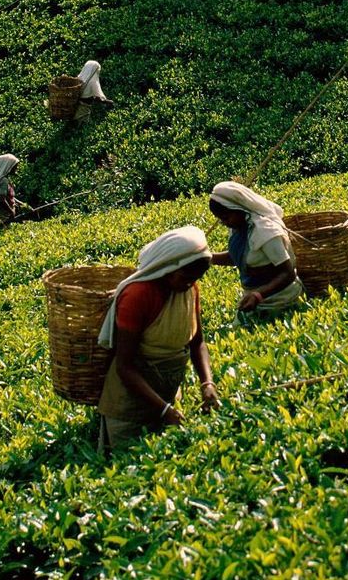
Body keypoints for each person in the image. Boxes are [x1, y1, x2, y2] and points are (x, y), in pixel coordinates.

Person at [98, 225, 219, 452]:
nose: (189, 283)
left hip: (167, 393)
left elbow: (197, 342)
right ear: (168, 268)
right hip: (130, 405)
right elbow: (125, 366)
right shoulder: (139, 295)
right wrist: (164, 411)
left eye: (196, 278)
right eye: (186, 277)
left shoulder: (190, 289)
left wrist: (207, 383)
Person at [209, 180, 303, 322]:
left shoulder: (266, 232)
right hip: (253, 297)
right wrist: (207, 257)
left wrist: (258, 295)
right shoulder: (238, 227)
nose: (224, 223)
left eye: (226, 217)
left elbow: (287, 273)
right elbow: (238, 257)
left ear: (238, 208)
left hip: (280, 298)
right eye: (221, 219)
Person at [0, 153, 20, 222]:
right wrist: (11, 212)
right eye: (15, 166)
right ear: (8, 166)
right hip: (4, 216)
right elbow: (2, 199)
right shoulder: (4, 180)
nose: (16, 168)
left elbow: (8, 196)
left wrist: (23, 204)